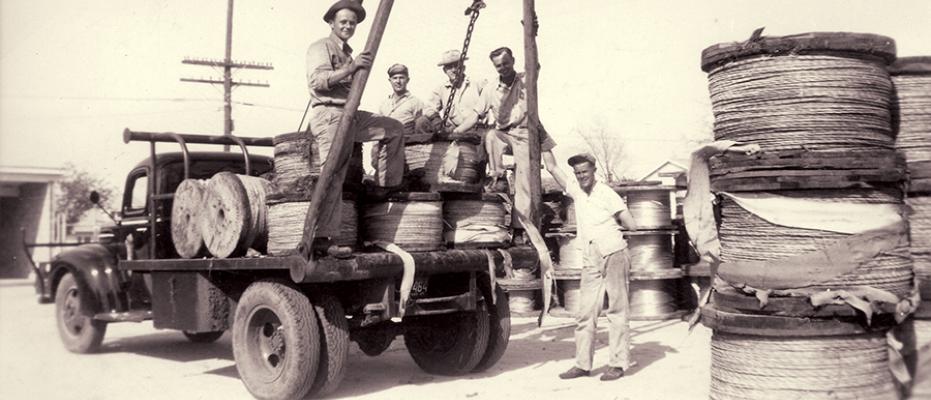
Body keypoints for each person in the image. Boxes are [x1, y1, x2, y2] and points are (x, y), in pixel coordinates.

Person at [306, 0, 406, 255]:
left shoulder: (349, 53)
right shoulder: (321, 47)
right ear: (331, 23)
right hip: (330, 115)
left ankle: (384, 186)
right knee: (333, 174)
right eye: (344, 22)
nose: (349, 26)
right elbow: (317, 81)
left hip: (349, 115)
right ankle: (322, 240)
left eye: (352, 22)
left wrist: (353, 64)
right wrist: (352, 68)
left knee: (393, 128)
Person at [549, 153, 638, 381]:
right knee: (585, 312)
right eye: (578, 173)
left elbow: (631, 224)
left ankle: (617, 364)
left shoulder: (607, 193)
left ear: (593, 170)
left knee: (617, 310)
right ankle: (582, 365)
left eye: (584, 172)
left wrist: (611, 235)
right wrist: (544, 141)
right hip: (590, 256)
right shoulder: (577, 192)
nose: (581, 176)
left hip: (613, 253)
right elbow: (551, 167)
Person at [457, 46, 560, 223]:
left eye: (506, 63)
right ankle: (497, 176)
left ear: (513, 61)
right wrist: (455, 132)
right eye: (498, 65)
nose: (503, 67)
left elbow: (533, 63)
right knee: (490, 136)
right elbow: (475, 115)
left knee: (524, 184)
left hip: (524, 134)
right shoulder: (490, 89)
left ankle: (521, 227)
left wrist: (532, 37)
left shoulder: (526, 80)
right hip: (503, 133)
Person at [423, 49, 485, 137]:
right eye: (449, 67)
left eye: (457, 66)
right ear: (444, 71)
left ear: (463, 68)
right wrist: (436, 120)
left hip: (475, 131)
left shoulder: (477, 84)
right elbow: (428, 107)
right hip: (453, 132)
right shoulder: (441, 89)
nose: (453, 70)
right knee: (422, 122)